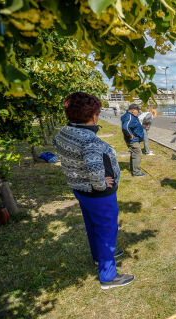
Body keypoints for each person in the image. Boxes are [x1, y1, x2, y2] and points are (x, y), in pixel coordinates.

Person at [52, 92, 134, 290]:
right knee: (107, 230)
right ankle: (108, 276)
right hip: (97, 194)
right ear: (94, 115)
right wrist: (100, 183)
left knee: (92, 225)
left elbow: (56, 145)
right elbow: (94, 168)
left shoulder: (64, 132)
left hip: (79, 188)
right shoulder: (90, 141)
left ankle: (99, 256)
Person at [121, 104, 146, 177]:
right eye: (137, 111)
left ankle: (133, 170)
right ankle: (136, 173)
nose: (138, 112)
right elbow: (125, 127)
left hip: (134, 139)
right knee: (138, 154)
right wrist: (130, 135)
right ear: (132, 110)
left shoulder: (131, 116)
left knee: (134, 154)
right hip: (133, 140)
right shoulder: (130, 117)